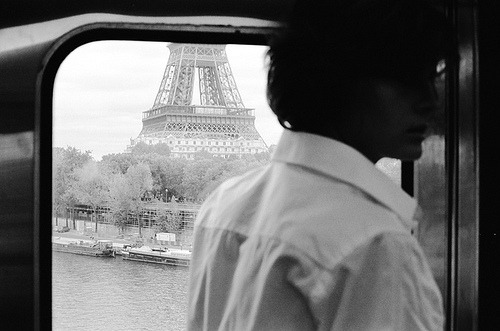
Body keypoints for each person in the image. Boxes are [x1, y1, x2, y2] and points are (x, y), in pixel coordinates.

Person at [187, 0, 455, 329]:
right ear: (339, 82)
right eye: (409, 81)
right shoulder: (373, 244)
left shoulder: (223, 203)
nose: (430, 102)